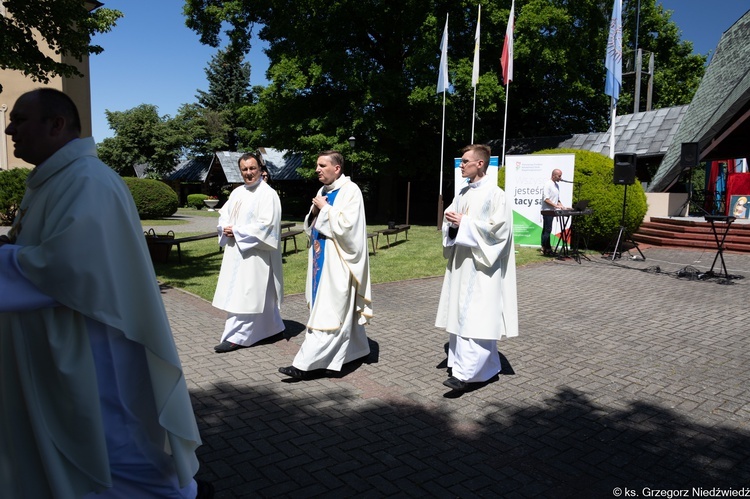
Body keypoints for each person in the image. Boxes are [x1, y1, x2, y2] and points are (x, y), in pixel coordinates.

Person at [0, 89, 210, 498]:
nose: (9, 128)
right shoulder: (52, 179)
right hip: (59, 345)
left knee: (114, 450)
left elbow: (69, 267)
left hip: (94, 350)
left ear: (56, 124)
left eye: (20, 119)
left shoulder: (87, 181)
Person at [278, 150, 373, 379]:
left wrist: (325, 209)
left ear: (337, 168)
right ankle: (357, 350)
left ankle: (305, 364)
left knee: (330, 313)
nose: (317, 170)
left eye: (322, 165)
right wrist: (314, 211)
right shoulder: (323, 190)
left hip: (340, 262)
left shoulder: (351, 191)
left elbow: (350, 228)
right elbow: (312, 224)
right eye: (317, 165)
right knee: (341, 310)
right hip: (321, 259)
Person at [436, 144, 519, 391]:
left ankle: (469, 374)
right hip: (462, 263)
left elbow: (499, 231)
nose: (461, 165)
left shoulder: (497, 194)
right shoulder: (462, 193)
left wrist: (466, 223)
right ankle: (469, 365)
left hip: (484, 266)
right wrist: (452, 226)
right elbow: (449, 223)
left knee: (477, 317)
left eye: (465, 161)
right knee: (461, 314)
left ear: (480, 164)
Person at [212, 152, 285, 353]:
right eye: (244, 169)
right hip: (236, 252)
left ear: (261, 170)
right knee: (253, 293)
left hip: (256, 254)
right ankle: (273, 328)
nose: (249, 173)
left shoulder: (268, 194)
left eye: (252, 168)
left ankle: (238, 336)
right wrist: (225, 227)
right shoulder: (237, 193)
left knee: (247, 294)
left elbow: (268, 226)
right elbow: (224, 215)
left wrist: (237, 231)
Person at [541, 168, 567, 256]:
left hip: (553, 210)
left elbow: (557, 200)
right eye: (559, 176)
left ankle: (545, 248)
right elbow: (546, 199)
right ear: (554, 175)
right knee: (547, 230)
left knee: (547, 229)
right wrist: (555, 206)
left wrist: (563, 206)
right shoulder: (548, 184)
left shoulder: (556, 185)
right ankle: (546, 248)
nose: (560, 178)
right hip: (547, 211)